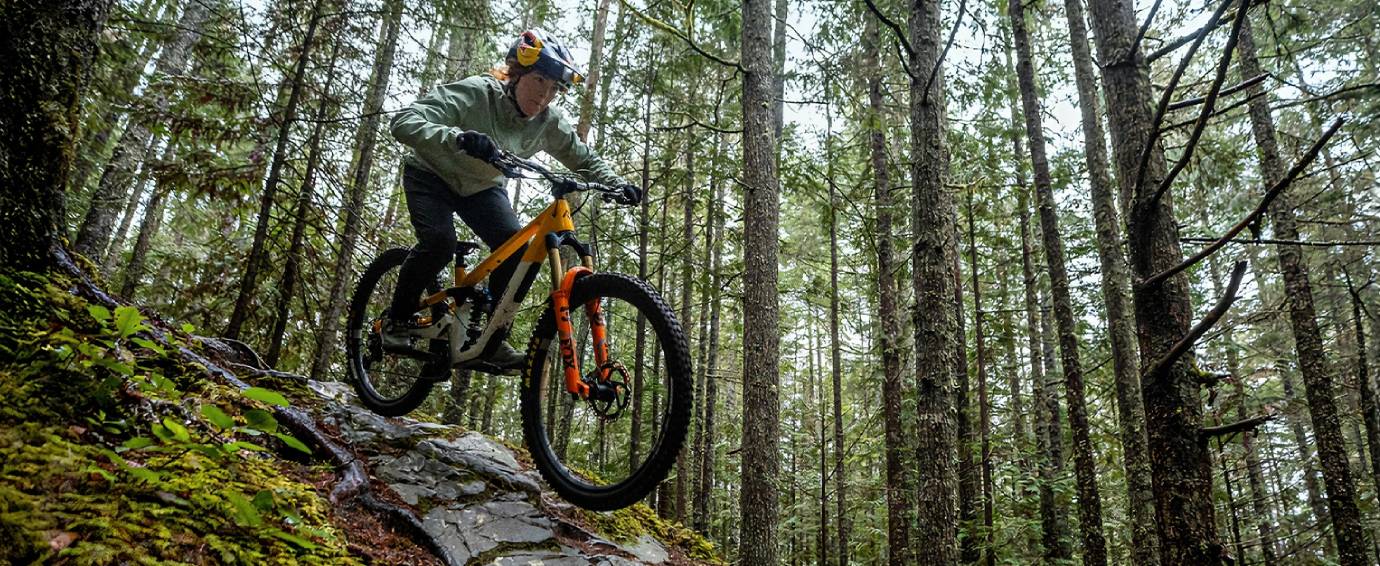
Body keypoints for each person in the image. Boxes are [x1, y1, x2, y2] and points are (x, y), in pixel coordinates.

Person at [384, 28, 639, 371]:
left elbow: (584, 158)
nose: (544, 95)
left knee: (516, 248)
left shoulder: (548, 122)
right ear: (517, 73)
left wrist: (617, 184)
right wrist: (458, 138)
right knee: (440, 243)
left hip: (481, 188)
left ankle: (489, 339)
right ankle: (396, 320)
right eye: (539, 81)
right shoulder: (478, 92)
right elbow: (403, 121)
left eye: (554, 89)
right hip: (430, 175)